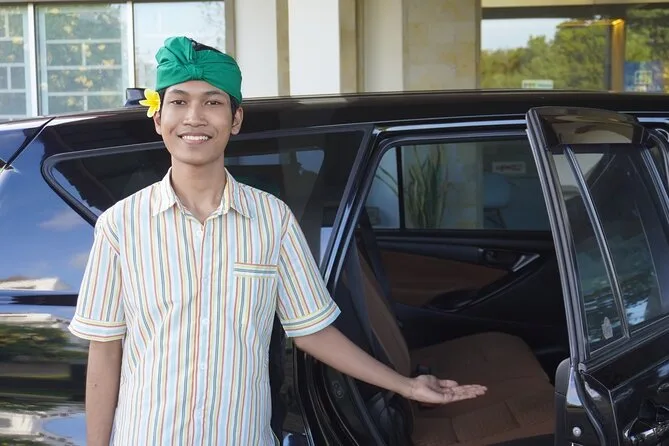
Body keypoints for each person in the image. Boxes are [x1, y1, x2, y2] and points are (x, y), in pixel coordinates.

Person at [68, 36, 487, 446]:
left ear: (235, 119)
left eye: (212, 102)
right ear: (159, 118)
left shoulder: (272, 219)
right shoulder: (120, 226)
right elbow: (105, 353)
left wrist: (407, 386)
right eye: (179, 101)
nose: (194, 117)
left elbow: (312, 332)